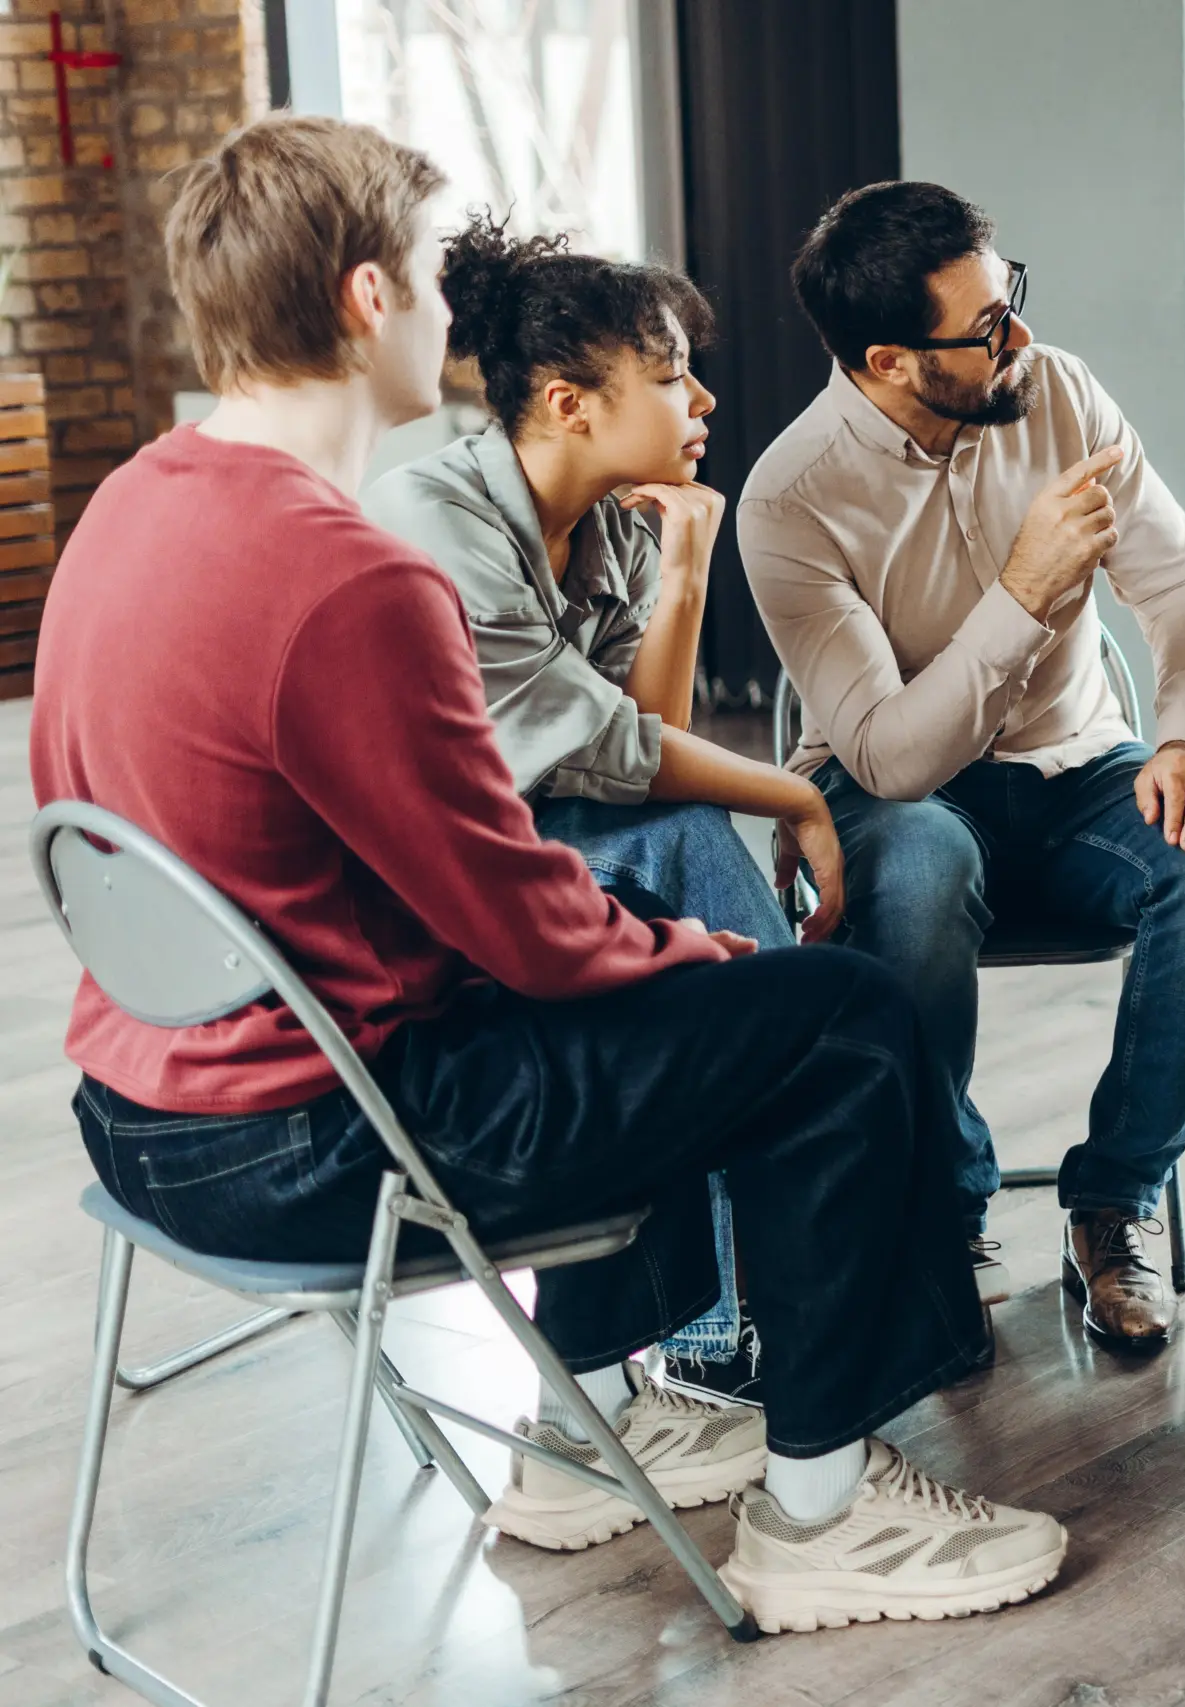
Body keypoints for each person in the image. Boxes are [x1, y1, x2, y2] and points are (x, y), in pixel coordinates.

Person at [33, 115, 1066, 1634]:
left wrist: (653, 946)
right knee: (836, 1021)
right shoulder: (354, 578)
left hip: (146, 1112)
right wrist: (720, 964)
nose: (459, 315)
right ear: (371, 302)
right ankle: (825, 1509)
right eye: (434, 280)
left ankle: (587, 1432)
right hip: (321, 1143)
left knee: (647, 968)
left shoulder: (125, 504)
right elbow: (529, 932)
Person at [739, 181, 1185, 1349]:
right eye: (981, 330)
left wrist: (1184, 734)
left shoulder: (1058, 392)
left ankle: (1113, 1198)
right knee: (920, 862)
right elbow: (888, 754)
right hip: (897, 794)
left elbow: (1182, 590)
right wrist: (1024, 593)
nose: (1015, 336)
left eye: (1008, 297)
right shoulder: (790, 498)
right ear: (887, 360)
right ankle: (945, 1203)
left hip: (1082, 772)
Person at [367, 213, 850, 1402]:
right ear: (571, 403)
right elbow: (604, 747)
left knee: (685, 848)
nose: (704, 400)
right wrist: (794, 792)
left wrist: (683, 568)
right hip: (437, 885)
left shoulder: (611, 525)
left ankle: (742, 1307)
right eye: (673, 373)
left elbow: (648, 740)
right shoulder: (437, 517)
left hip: (550, 838)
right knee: (702, 866)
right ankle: (777, 1269)